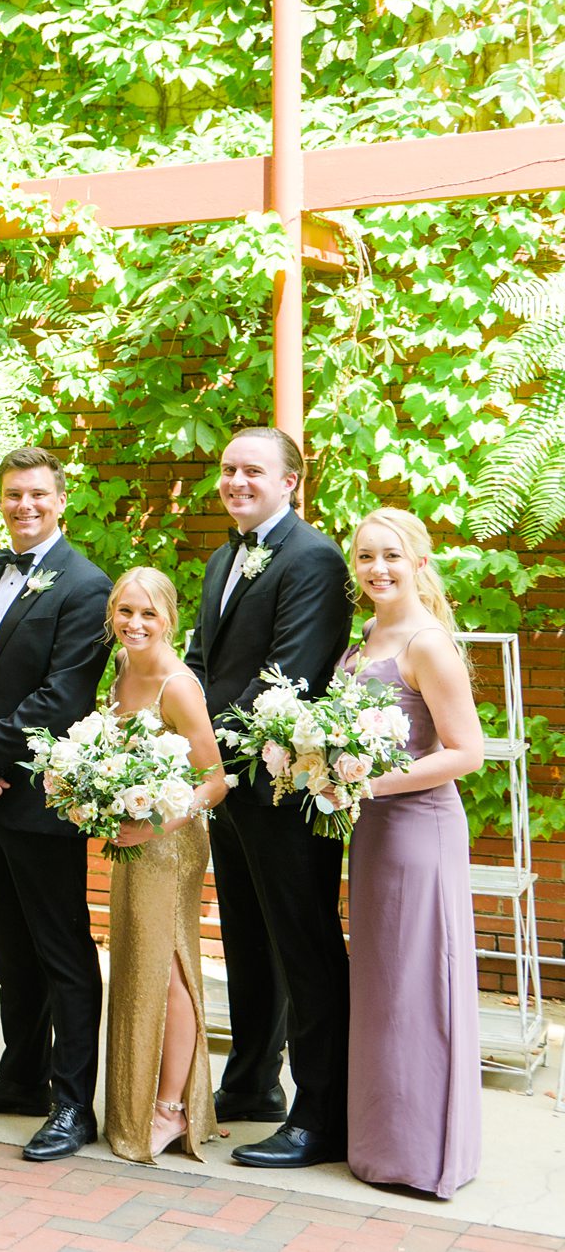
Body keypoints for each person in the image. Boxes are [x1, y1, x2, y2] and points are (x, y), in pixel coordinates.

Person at [185, 427, 352, 1168]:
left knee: (305, 945)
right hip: (231, 786)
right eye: (227, 469)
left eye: (252, 469)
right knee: (247, 942)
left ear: (292, 479)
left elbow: (289, 676)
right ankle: (252, 1083)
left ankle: (322, 1111)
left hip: (284, 787)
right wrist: (177, 732)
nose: (235, 480)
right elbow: (200, 662)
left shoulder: (313, 558)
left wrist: (207, 749)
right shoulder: (225, 554)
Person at [0, 448, 113, 1161]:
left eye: (37, 493)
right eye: (13, 493)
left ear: (61, 500)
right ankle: (20, 1075)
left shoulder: (86, 585)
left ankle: (74, 1100)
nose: (24, 505)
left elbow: (62, 695)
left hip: (38, 796)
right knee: (8, 947)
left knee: (62, 950)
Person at [343, 509, 482, 1199]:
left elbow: (466, 752)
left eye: (391, 555)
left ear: (420, 561)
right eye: (366, 556)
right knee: (382, 983)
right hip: (372, 829)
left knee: (420, 980)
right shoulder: (367, 634)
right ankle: (380, 1141)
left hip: (419, 828)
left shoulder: (427, 643)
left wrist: (372, 782)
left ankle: (423, 1153)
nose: (378, 569)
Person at [97, 568, 226, 1165]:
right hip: (132, 840)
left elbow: (214, 779)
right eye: (125, 611)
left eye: (148, 614)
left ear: (170, 617)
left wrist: (156, 824)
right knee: (138, 965)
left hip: (169, 843)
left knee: (168, 967)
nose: (135, 624)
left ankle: (171, 1110)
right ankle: (141, 1098)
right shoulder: (122, 670)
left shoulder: (178, 684)